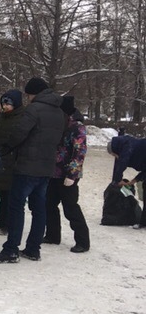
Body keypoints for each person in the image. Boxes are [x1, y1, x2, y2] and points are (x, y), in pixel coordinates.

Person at [0, 77, 66, 264]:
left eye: (29, 94)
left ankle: (11, 250)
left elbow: (20, 133)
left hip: (26, 166)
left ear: (34, 93)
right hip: (47, 167)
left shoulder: (34, 109)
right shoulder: (59, 111)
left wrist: (6, 149)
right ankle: (33, 249)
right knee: (39, 208)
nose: (28, 98)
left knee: (16, 207)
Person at [44, 96, 90, 251]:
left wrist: (72, 175)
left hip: (68, 175)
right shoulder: (59, 123)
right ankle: (52, 235)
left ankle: (83, 241)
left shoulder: (77, 127)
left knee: (70, 208)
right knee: (49, 205)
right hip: (53, 173)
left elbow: (80, 152)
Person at [0, 90, 25, 234]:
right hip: (1, 157)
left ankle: (8, 225)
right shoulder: (3, 117)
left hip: (12, 159)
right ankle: (1, 220)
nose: (5, 106)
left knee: (10, 195)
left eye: (7, 103)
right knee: (2, 193)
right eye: (3, 103)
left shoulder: (21, 117)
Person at [108, 134, 146, 228]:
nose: (116, 157)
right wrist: (133, 181)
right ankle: (144, 222)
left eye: (114, 154)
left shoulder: (127, 144)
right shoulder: (128, 143)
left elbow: (123, 162)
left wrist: (117, 180)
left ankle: (143, 222)